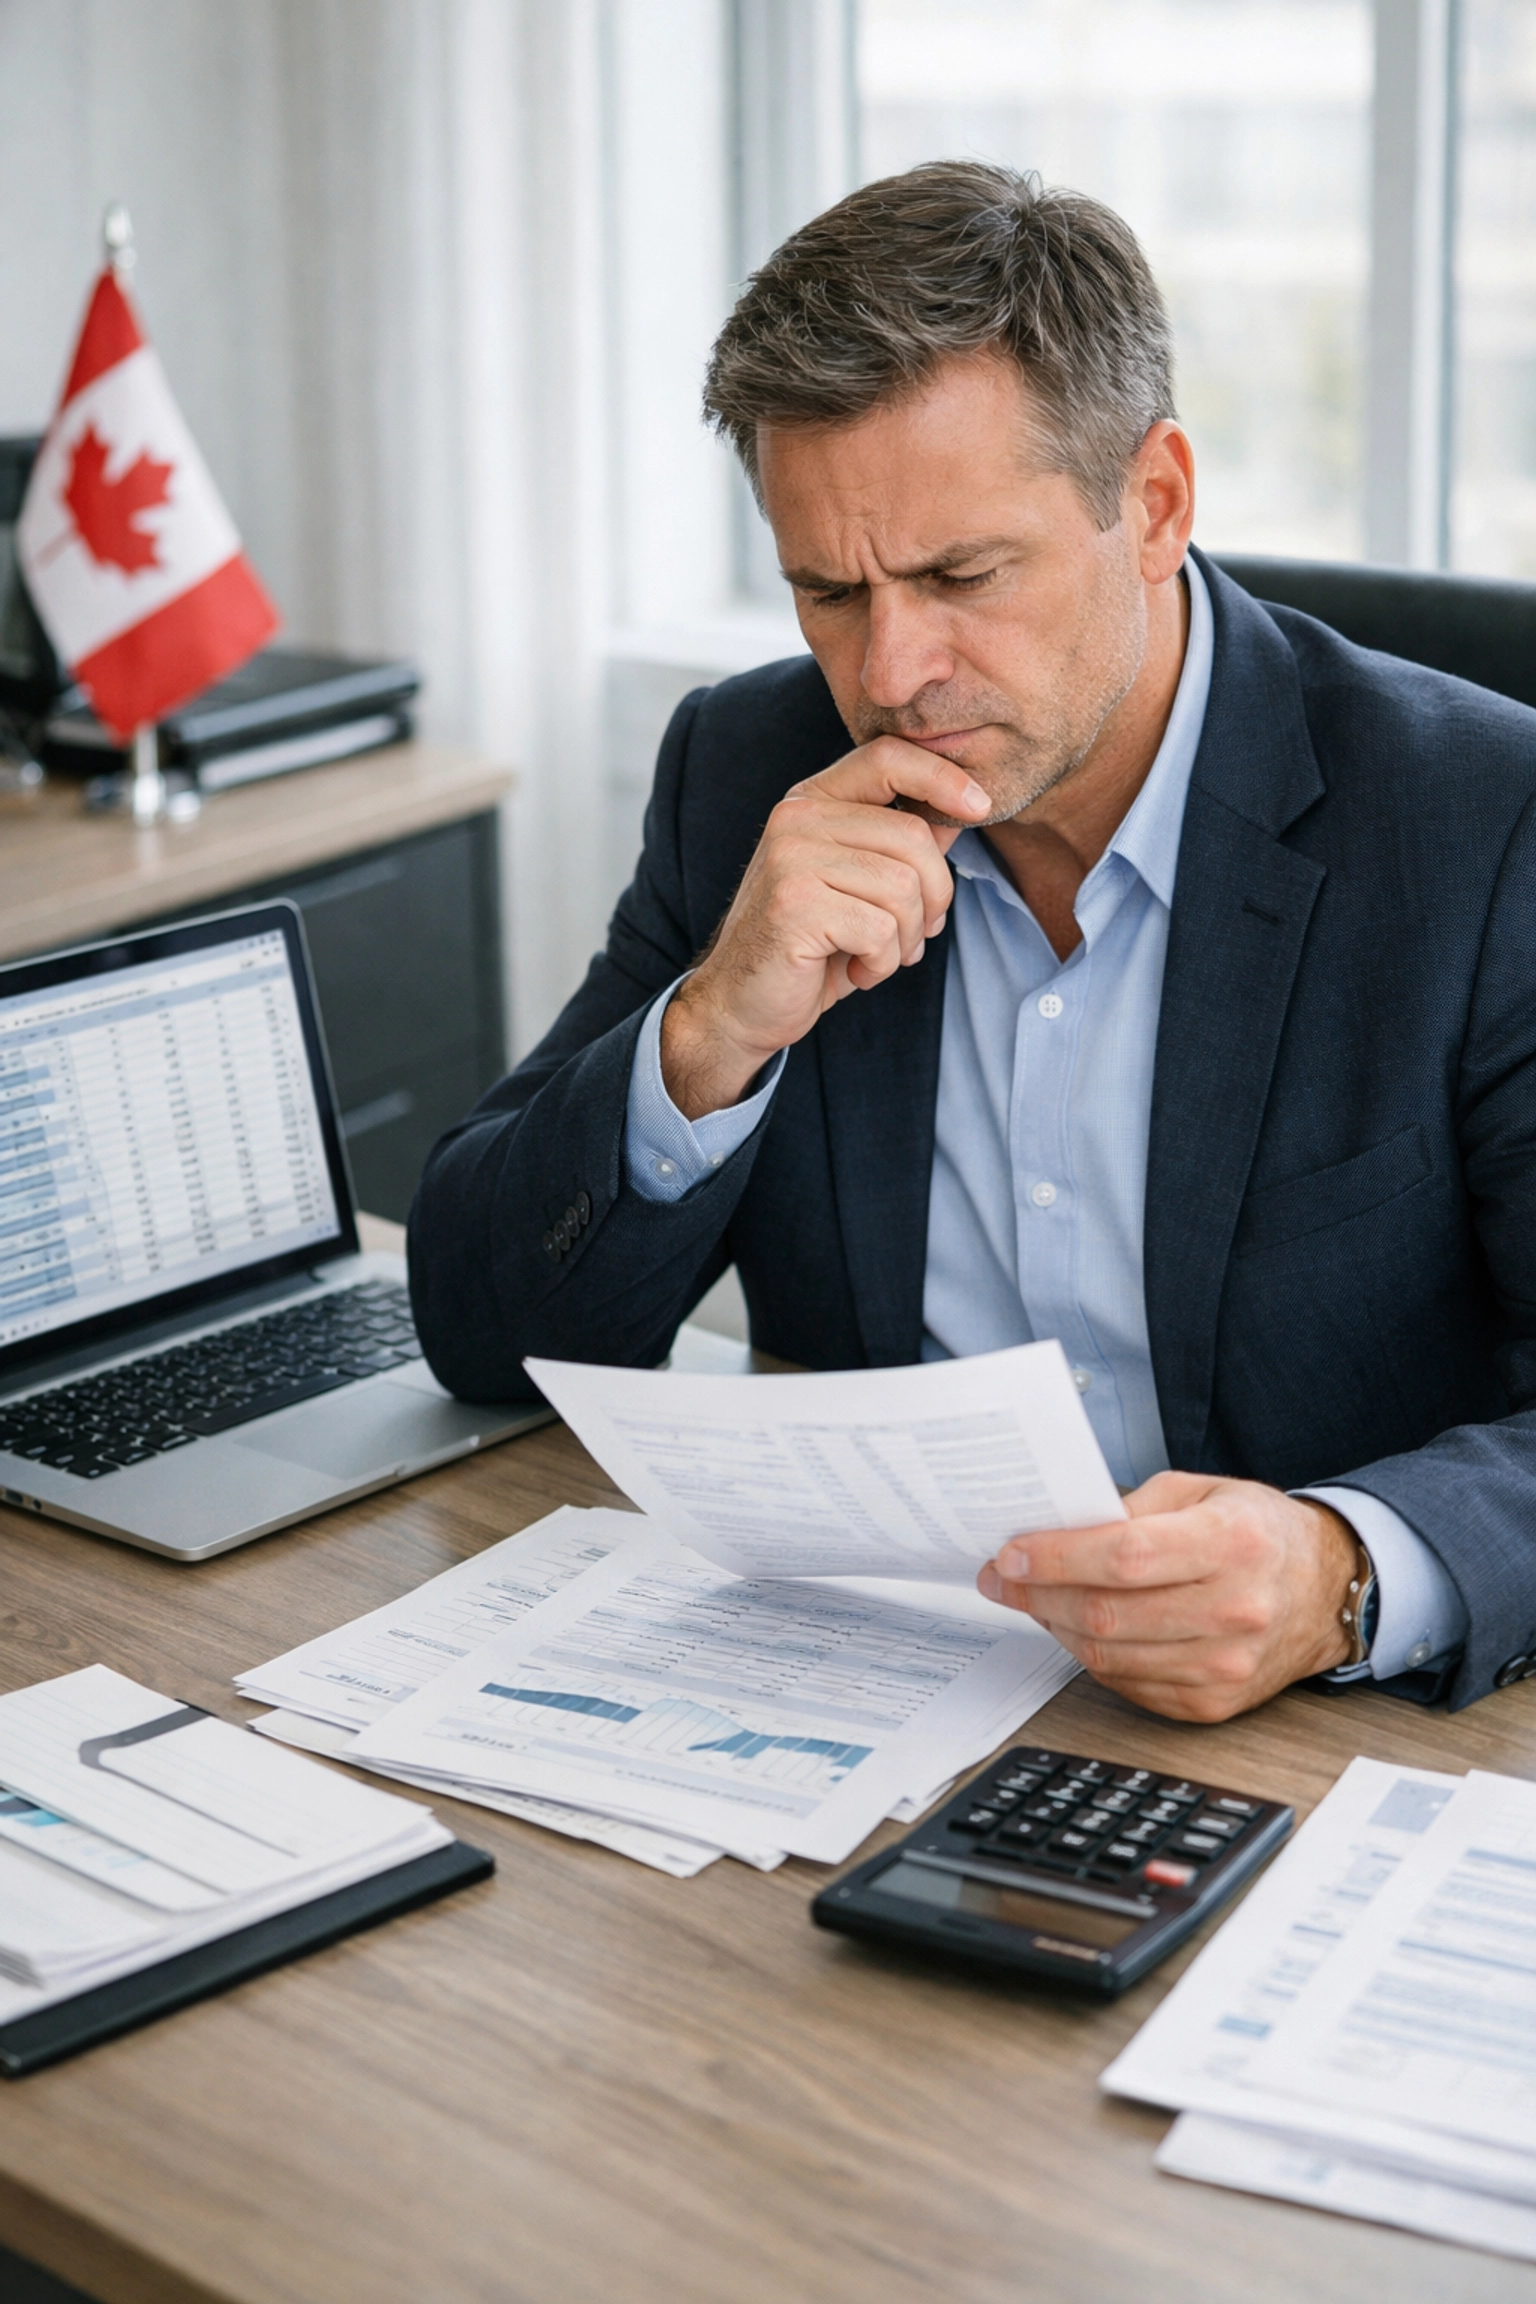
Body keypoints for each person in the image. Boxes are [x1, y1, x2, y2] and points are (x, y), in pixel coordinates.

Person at [410, 162, 1536, 1723]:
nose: (894, 671)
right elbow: (481, 1332)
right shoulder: (749, 776)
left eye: (961, 576)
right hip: (871, 1696)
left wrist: (1345, 1571)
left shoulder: (1481, 822)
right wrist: (711, 1031)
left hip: (1328, 1727)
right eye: (828, 591)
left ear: (1153, 503)